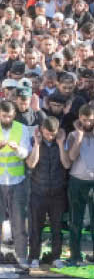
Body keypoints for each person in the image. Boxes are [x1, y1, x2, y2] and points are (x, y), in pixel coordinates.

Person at [0, 100, 31, 265]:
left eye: (9, 116)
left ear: (14, 115)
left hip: (16, 180)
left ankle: (22, 256)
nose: (6, 119)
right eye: (4, 116)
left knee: (18, 221)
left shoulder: (22, 129)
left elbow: (25, 154)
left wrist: (17, 148)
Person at [26, 117, 69, 269]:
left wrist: (60, 144)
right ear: (41, 130)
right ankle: (34, 257)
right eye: (47, 133)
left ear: (57, 132)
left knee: (57, 227)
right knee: (35, 227)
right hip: (38, 192)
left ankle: (56, 257)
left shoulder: (61, 142)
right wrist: (37, 145)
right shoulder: (34, 141)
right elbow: (31, 164)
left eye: (52, 134)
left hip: (57, 193)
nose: (49, 136)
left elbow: (66, 163)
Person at [66, 104, 94, 266]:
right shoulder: (73, 135)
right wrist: (80, 136)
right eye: (84, 120)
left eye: (90, 120)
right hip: (77, 182)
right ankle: (75, 255)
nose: (88, 123)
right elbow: (71, 157)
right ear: (79, 119)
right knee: (75, 221)